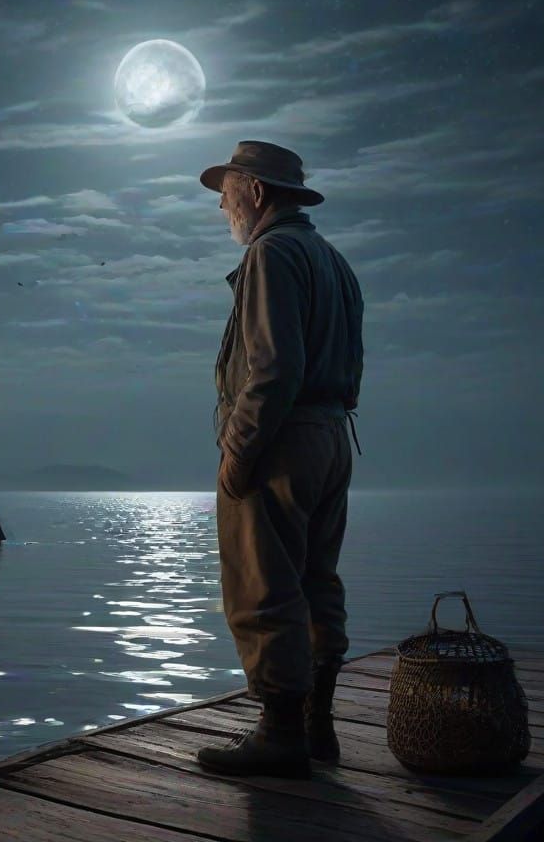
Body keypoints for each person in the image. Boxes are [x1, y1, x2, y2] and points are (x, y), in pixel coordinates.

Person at [196, 141, 364, 779]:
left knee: (262, 584)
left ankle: (280, 733)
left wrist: (238, 451)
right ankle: (318, 727)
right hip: (332, 436)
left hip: (283, 438)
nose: (221, 204)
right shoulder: (335, 261)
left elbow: (273, 370)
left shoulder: (271, 252)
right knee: (317, 580)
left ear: (257, 193)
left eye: (228, 189)